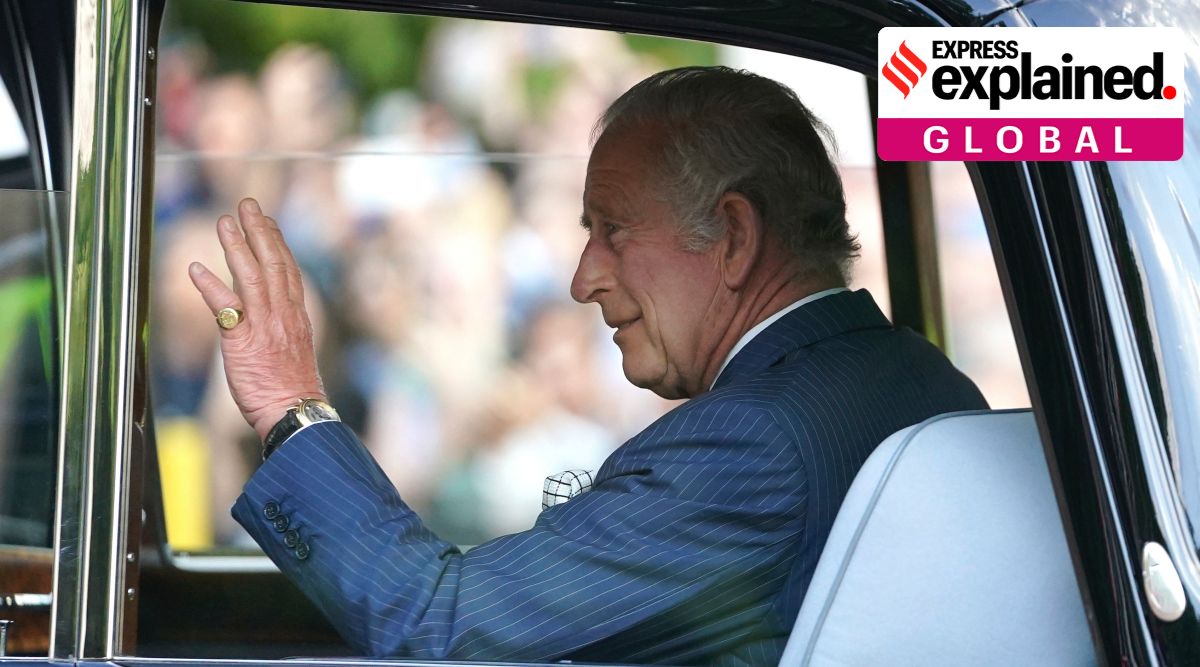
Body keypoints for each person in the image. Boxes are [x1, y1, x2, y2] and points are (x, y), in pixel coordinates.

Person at [188, 66, 988, 664]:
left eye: (613, 231)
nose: (583, 278)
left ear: (735, 238)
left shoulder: (750, 446)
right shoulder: (919, 375)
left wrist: (292, 403)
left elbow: (435, 622)